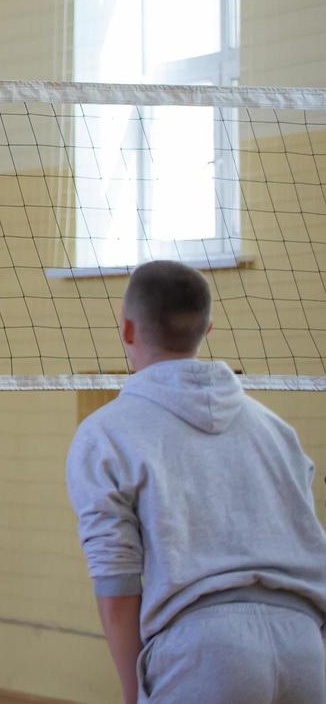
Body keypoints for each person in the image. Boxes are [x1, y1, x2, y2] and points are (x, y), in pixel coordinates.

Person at [66, 260, 326, 703]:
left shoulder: (105, 431)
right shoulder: (277, 430)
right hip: (305, 647)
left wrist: (134, 694)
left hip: (204, 654)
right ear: (207, 329)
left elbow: (116, 582)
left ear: (127, 330)